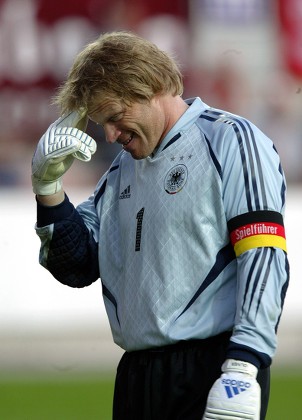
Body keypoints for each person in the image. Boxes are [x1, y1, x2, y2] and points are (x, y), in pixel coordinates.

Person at [31, 31, 289, 420]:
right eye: (103, 123)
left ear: (150, 87)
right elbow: (77, 264)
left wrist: (243, 367)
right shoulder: (120, 171)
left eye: (115, 118)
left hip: (214, 369)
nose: (110, 135)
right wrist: (48, 189)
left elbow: (264, 255)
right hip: (137, 377)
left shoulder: (230, 140)